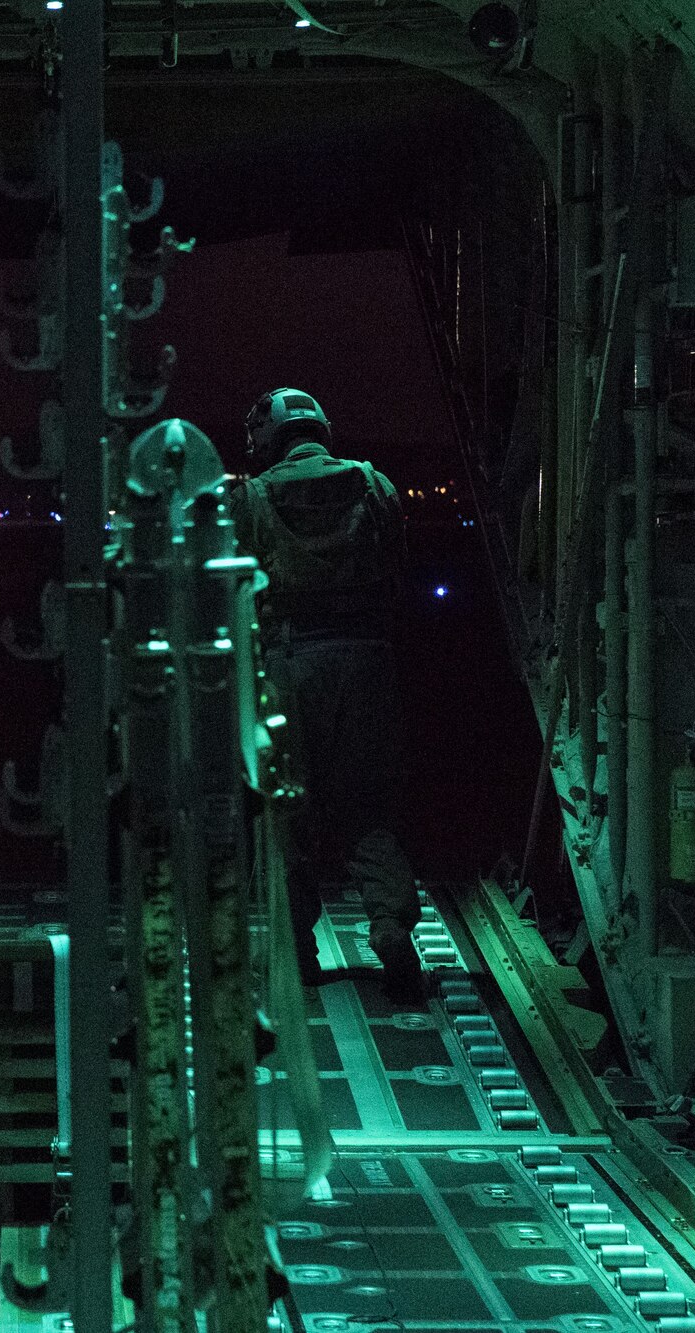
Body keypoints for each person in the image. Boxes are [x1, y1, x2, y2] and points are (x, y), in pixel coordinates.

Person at [228, 388, 426, 1003]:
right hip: (364, 660)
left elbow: (230, 583)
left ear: (267, 438)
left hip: (287, 664)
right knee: (369, 806)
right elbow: (396, 562)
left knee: (285, 813)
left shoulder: (251, 497)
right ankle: (391, 925)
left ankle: (298, 950)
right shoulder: (373, 483)